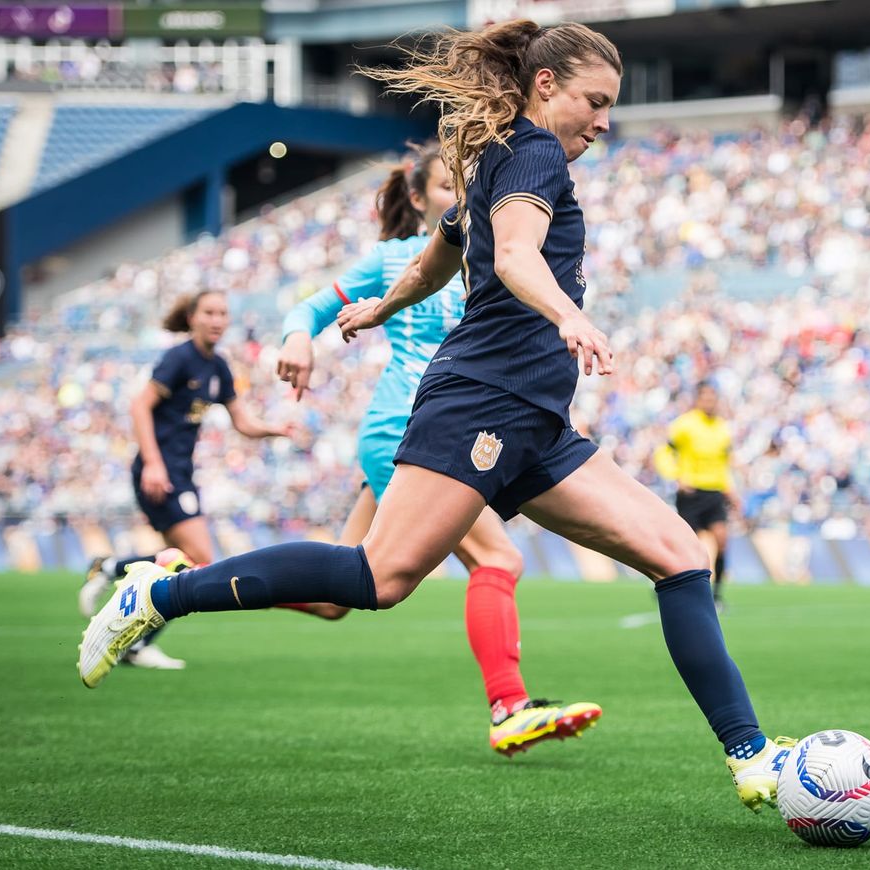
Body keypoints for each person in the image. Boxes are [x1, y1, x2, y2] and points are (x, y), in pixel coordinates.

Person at [80, 19, 791, 813]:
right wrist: (569, 317)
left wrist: (384, 305)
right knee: (375, 579)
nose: (604, 120)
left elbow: (442, 252)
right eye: (595, 101)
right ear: (546, 86)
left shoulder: (501, 155)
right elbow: (515, 258)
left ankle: (752, 757)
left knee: (679, 553)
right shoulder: (533, 154)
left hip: (536, 422)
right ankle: (156, 596)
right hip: (481, 401)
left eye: (611, 106)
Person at [274, 144, 600, 755]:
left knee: (334, 599)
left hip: (448, 424)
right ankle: (509, 706)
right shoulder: (397, 258)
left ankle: (186, 580)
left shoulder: (502, 250)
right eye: (446, 188)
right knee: (498, 560)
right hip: (411, 425)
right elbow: (312, 305)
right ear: (421, 200)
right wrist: (299, 339)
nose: (460, 196)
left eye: (464, 185)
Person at [78, 290, 297, 668]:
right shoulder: (179, 358)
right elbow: (139, 405)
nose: (217, 320)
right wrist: (153, 463)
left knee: (177, 563)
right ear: (193, 317)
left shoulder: (219, 368)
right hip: (160, 472)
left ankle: (116, 585)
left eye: (223, 313)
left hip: (179, 473)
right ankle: (118, 591)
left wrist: (273, 429)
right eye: (209, 312)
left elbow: (242, 422)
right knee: (198, 561)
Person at [655, 382, 740, 610]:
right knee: (686, 545)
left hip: (714, 492)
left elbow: (724, 464)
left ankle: (718, 595)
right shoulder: (685, 425)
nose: (710, 402)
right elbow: (663, 452)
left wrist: (731, 489)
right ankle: (668, 582)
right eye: (706, 398)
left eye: (713, 398)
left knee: (722, 541)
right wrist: (676, 476)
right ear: (698, 399)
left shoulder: (722, 428)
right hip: (691, 493)